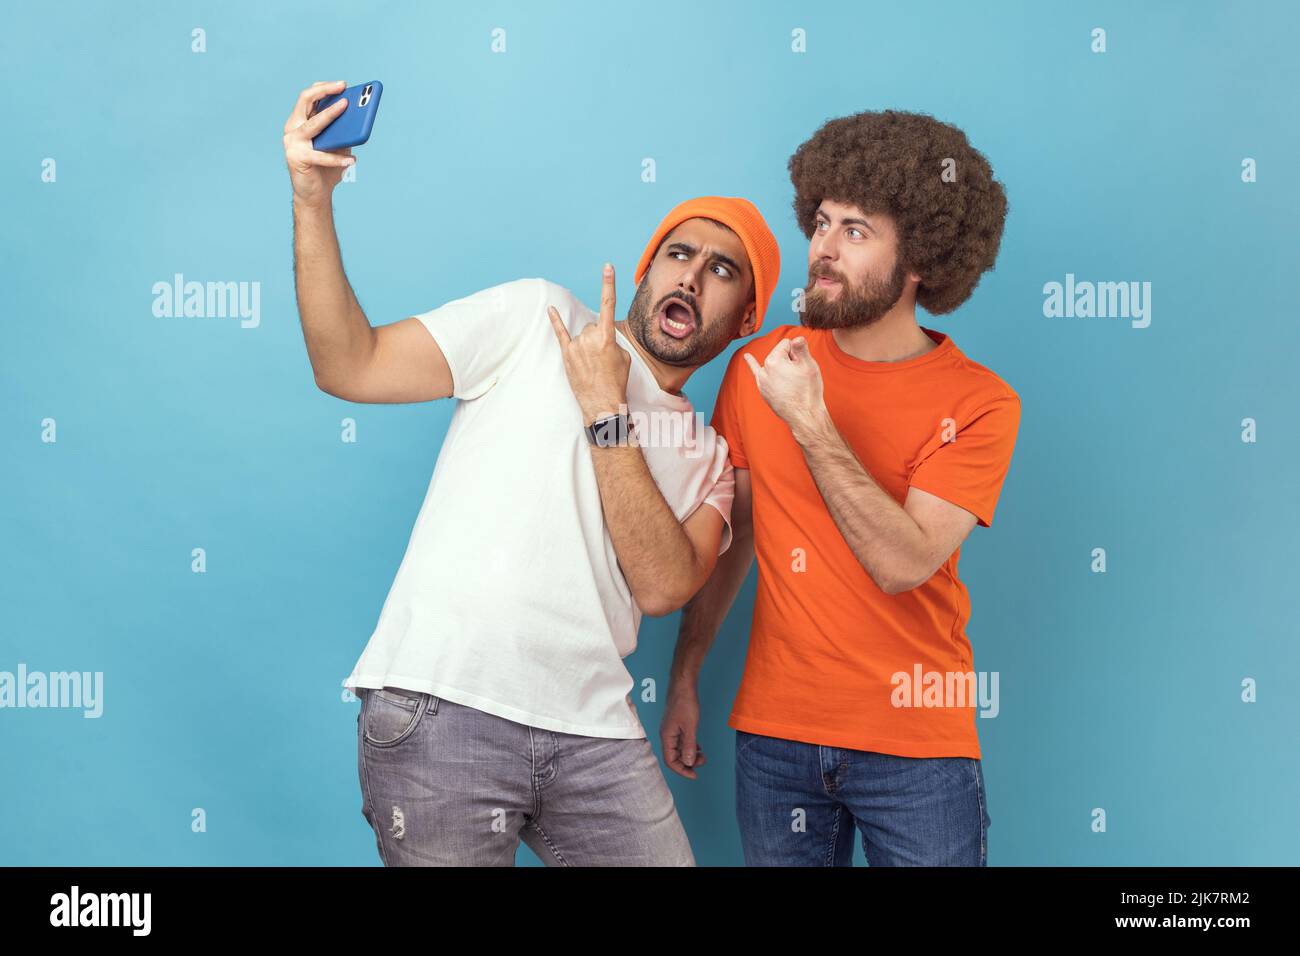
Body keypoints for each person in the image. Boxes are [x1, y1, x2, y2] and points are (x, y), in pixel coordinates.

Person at [281, 81, 781, 865]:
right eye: (678, 254)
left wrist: (606, 412)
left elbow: (660, 587)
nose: (691, 276)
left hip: (596, 737)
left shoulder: (713, 463)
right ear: (648, 270)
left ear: (746, 317)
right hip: (444, 707)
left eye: (723, 271)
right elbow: (349, 365)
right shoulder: (535, 316)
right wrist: (313, 199)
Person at [662, 109, 1021, 866]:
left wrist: (813, 425)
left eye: (856, 231)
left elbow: (904, 562)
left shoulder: (980, 404)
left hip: (917, 747)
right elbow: (738, 538)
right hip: (775, 741)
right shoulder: (761, 366)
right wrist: (687, 677)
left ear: (918, 258)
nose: (821, 248)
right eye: (821, 222)